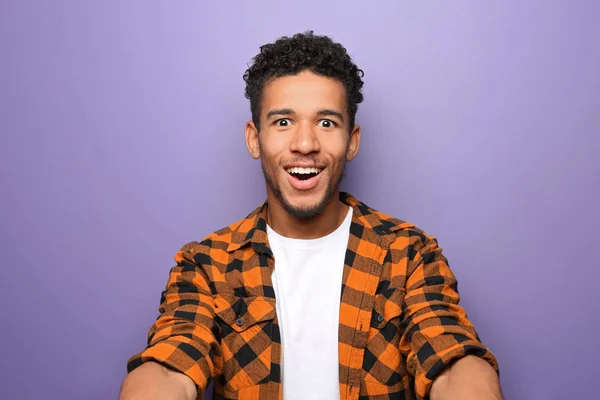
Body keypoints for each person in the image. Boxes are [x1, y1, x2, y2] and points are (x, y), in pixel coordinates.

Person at [120, 31, 503, 400]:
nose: (305, 144)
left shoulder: (408, 255)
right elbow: (171, 362)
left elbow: (451, 357)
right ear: (255, 139)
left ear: (352, 141)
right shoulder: (206, 266)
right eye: (283, 122)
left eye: (326, 122)